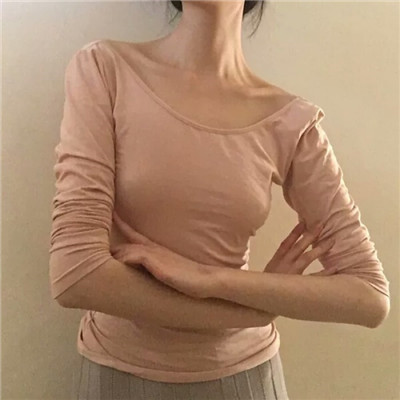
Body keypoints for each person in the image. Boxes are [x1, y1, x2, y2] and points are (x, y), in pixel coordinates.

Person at [48, 1, 390, 399]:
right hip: (118, 374)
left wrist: (211, 279)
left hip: (247, 379)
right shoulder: (105, 68)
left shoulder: (290, 120)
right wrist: (252, 311)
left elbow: (368, 296)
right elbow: (75, 276)